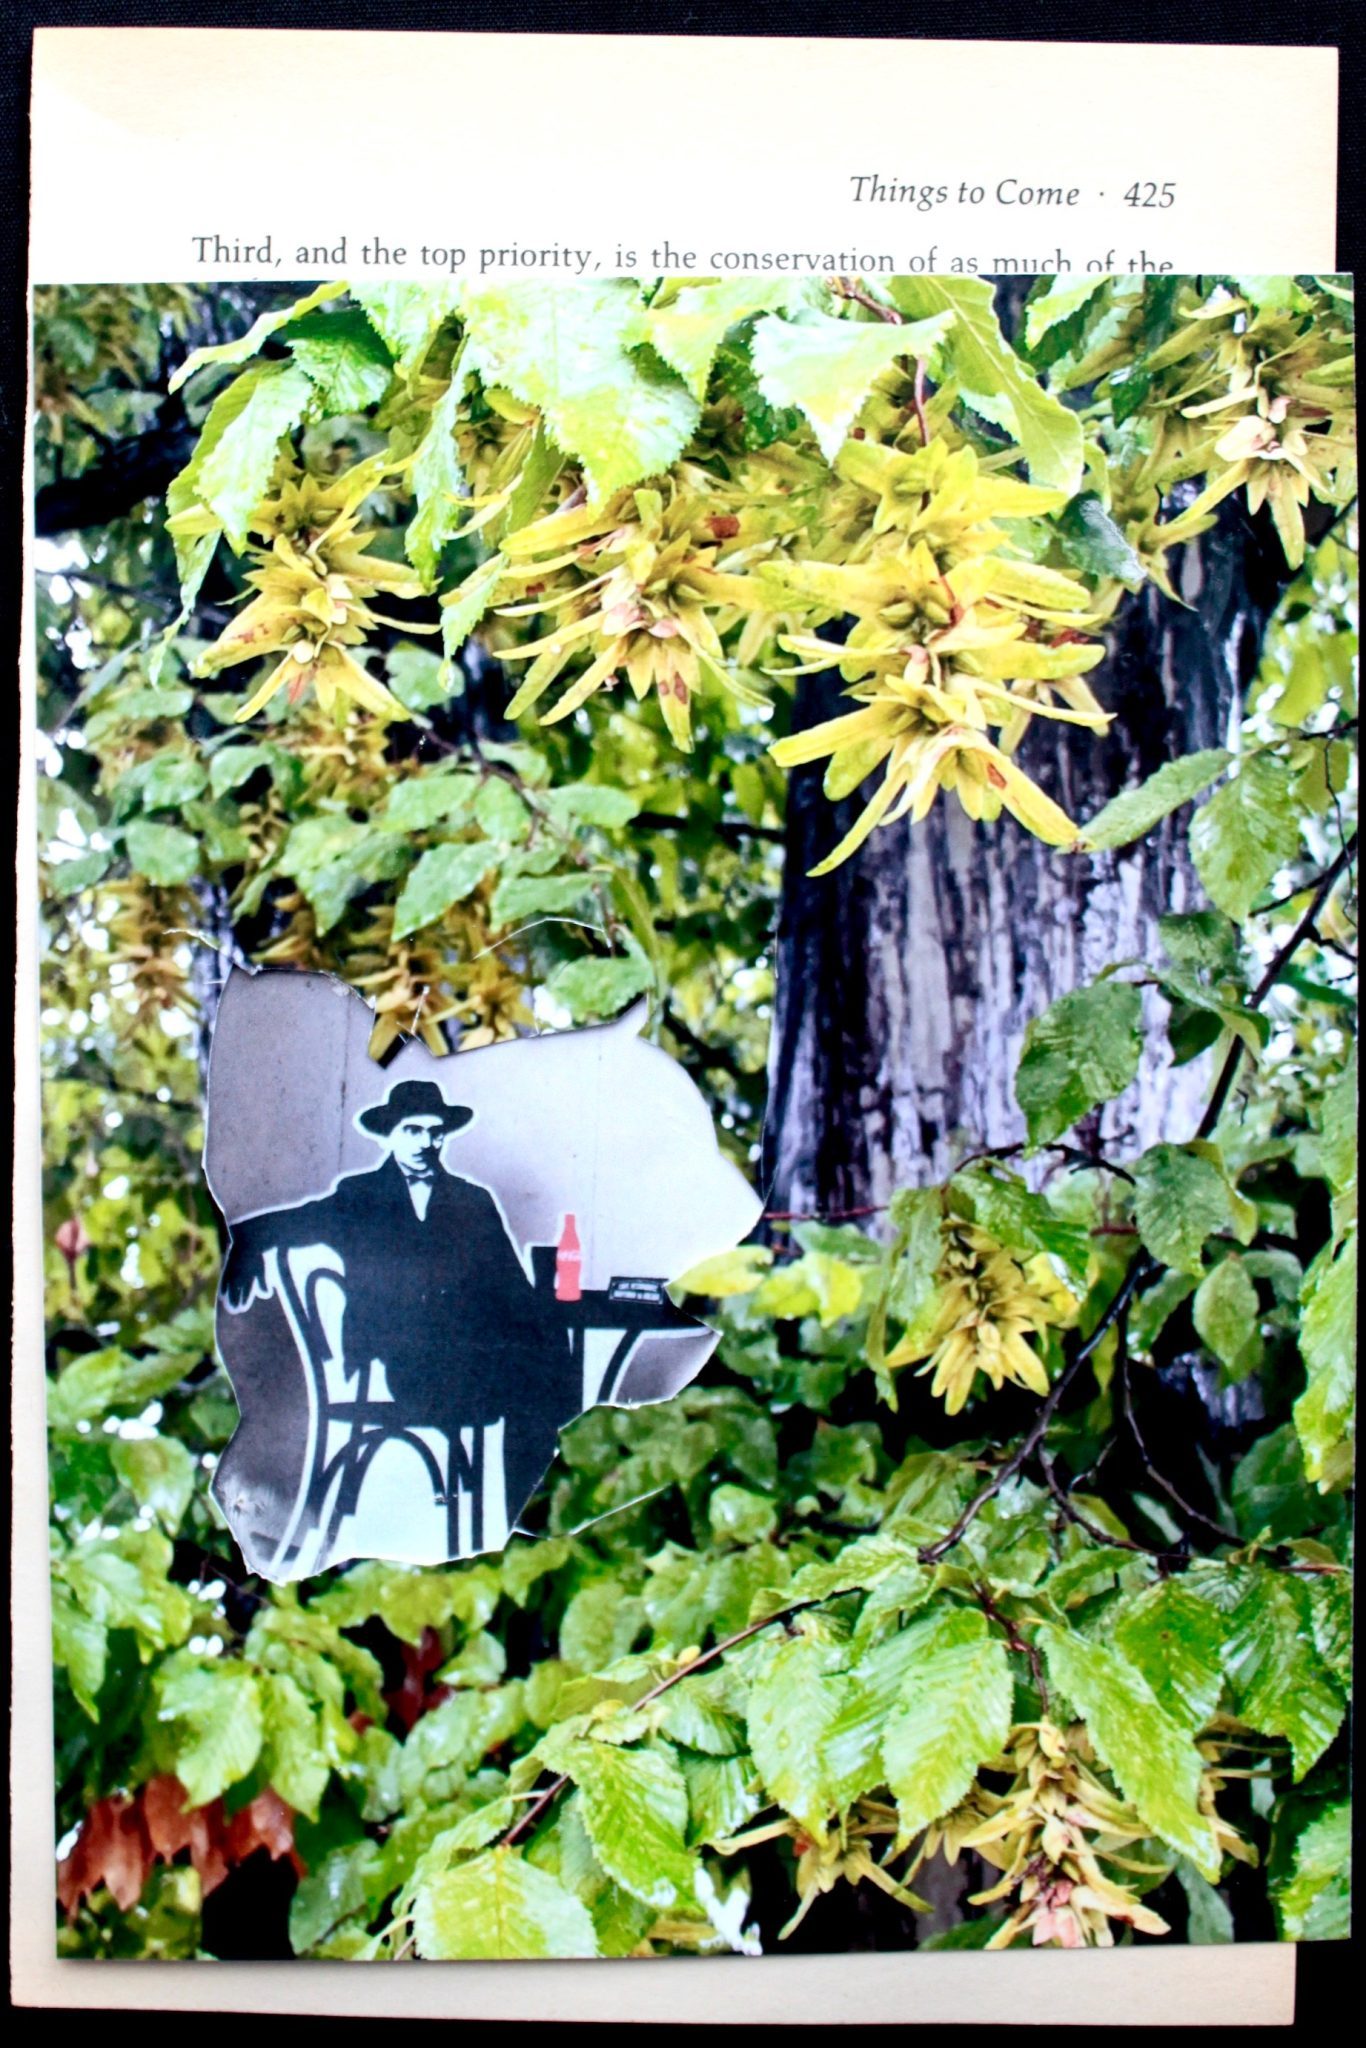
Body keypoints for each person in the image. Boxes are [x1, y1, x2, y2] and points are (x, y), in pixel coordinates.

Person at [221, 1077, 576, 1553]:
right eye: (413, 1130)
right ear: (389, 1135)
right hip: (396, 1364)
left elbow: (509, 1288)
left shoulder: (472, 1200)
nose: (426, 1143)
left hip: (465, 1361)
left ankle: (509, 1517)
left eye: (434, 1132)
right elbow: (296, 1219)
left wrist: (545, 1323)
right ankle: (500, 1522)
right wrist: (248, 1241)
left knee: (544, 1382)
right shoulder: (360, 1197)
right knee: (527, 1392)